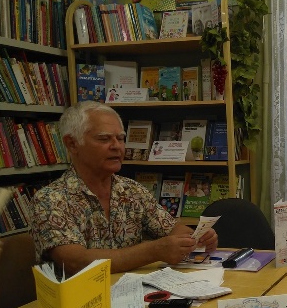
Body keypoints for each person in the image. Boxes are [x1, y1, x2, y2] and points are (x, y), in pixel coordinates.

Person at [31, 101, 218, 276]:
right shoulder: (49, 200)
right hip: (82, 298)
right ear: (72, 144)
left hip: (134, 292)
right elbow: (75, 262)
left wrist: (196, 237)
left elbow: (171, 229)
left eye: (121, 138)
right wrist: (154, 251)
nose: (117, 146)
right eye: (104, 139)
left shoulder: (132, 190)